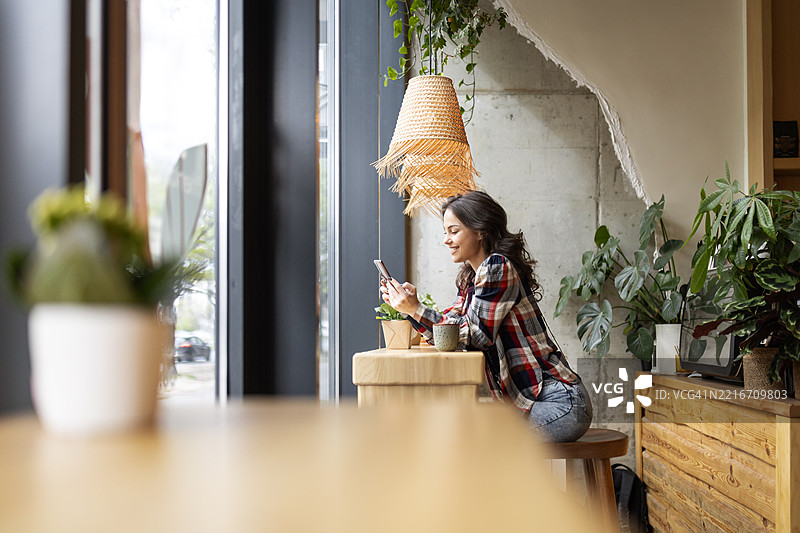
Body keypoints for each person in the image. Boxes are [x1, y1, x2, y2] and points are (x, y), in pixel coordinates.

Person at [380, 190, 593, 442]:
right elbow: (451, 334)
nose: (446, 240)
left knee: (471, 441)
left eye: (453, 231)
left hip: (560, 405)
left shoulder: (497, 266)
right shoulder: (471, 277)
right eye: (445, 232)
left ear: (480, 231)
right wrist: (411, 308)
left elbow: (475, 336)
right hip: (538, 402)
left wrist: (414, 309)